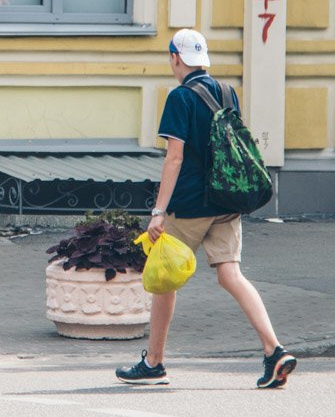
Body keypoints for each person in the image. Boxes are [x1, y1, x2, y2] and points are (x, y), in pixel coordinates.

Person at [115, 28, 296, 389]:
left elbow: (174, 157)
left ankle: (154, 363)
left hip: (192, 204)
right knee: (231, 274)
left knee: (164, 279)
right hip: (227, 201)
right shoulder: (227, 91)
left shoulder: (179, 98)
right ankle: (273, 349)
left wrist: (158, 211)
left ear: (174, 58)